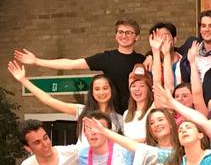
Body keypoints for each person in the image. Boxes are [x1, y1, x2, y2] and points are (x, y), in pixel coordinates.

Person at [14, 19, 144, 112]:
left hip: (135, 114)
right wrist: (37, 61)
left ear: (136, 37)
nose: (124, 36)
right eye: (120, 32)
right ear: (116, 36)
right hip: (109, 112)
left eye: (128, 33)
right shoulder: (106, 58)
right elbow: (71, 64)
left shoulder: (143, 60)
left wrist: (152, 57)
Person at [8, 62, 124, 143]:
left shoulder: (120, 119)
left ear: (111, 90)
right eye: (97, 89)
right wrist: (23, 80)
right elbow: (48, 100)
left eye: (105, 88)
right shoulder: (83, 111)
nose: (101, 92)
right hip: (83, 164)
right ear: (92, 92)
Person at [176, 10, 211, 105]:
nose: (206, 29)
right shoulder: (191, 44)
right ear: (200, 29)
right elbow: (173, 50)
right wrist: (150, 55)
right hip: (191, 105)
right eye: (203, 26)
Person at [122, 64, 155, 142]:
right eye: (133, 86)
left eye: (142, 86)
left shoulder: (153, 109)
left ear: (149, 89)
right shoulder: (126, 114)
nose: (137, 89)